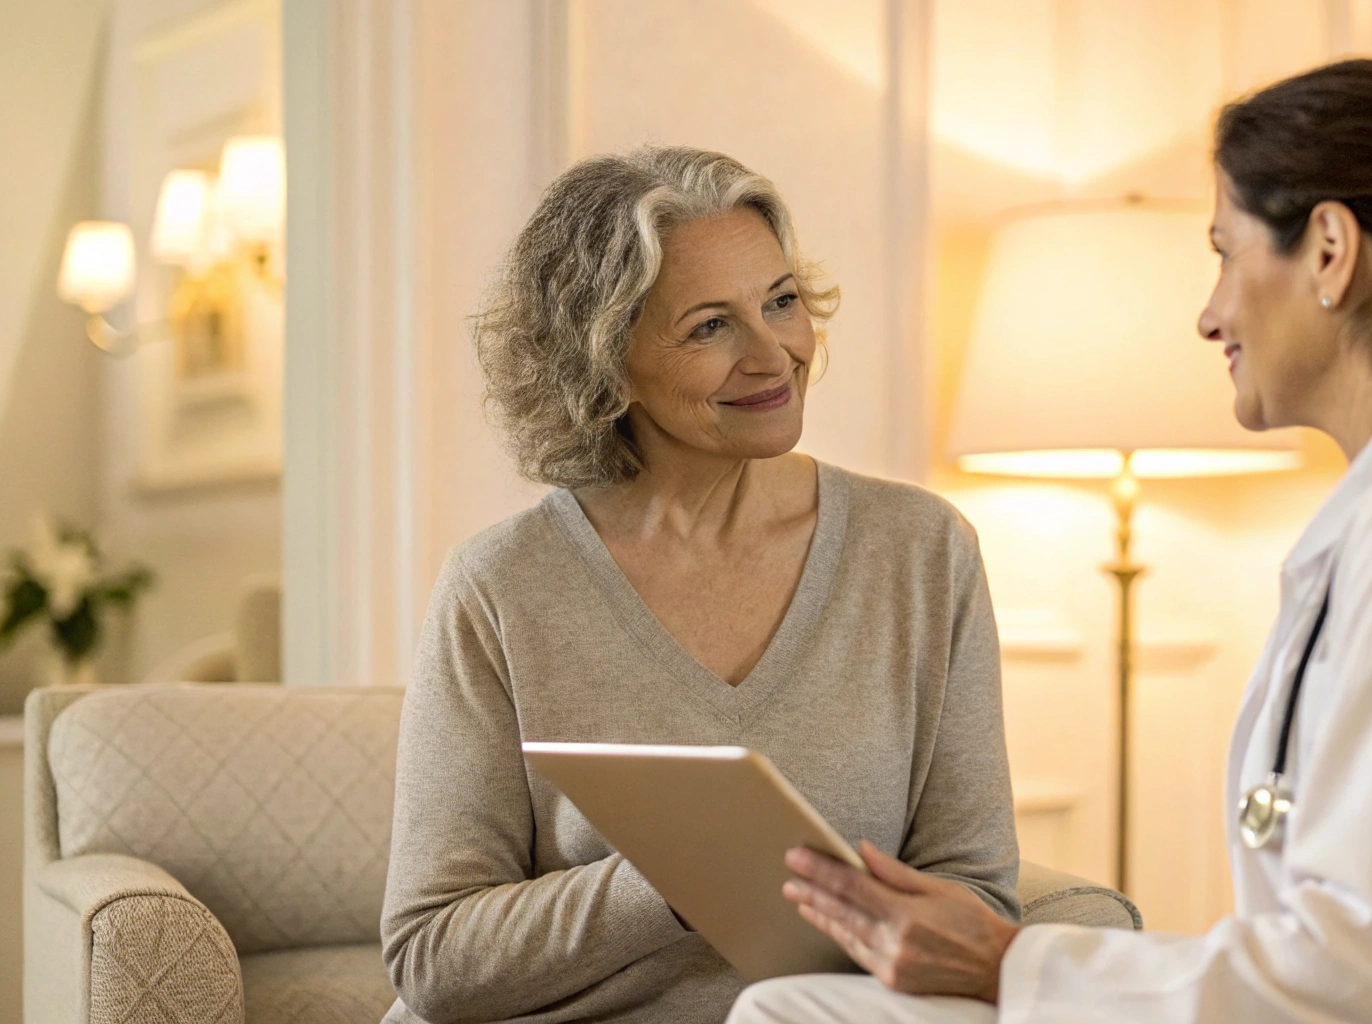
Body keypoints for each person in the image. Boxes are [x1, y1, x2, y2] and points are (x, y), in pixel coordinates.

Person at [729, 58, 1372, 1024]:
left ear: (1330, 251)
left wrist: (1009, 962)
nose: (1209, 314)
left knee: (794, 1012)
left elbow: (1361, 979)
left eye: (1224, 252)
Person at [379, 146, 1020, 1024]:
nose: (774, 355)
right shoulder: (499, 586)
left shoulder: (920, 550)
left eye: (781, 302)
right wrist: (682, 870)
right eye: (711, 326)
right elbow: (432, 954)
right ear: (604, 358)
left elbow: (977, 899)